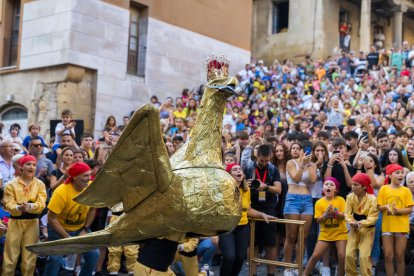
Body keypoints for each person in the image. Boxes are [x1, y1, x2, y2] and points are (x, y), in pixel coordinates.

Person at [44, 162, 99, 276]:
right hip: (58, 230)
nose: (89, 178)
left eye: (90, 175)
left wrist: (85, 228)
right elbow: (51, 218)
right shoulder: (61, 192)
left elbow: (93, 210)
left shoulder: (92, 187)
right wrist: (68, 238)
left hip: (80, 229)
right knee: (55, 259)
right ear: (75, 177)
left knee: (94, 254)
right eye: (85, 175)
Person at [220, 163, 274, 276]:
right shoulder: (223, 189)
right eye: (235, 170)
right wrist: (214, 234)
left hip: (243, 226)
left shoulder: (246, 190)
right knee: (229, 257)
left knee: (240, 258)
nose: (239, 171)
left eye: (240, 169)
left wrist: (262, 214)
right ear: (229, 174)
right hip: (227, 227)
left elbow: (248, 209)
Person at [2, 155, 47, 275]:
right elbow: (8, 204)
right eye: (28, 164)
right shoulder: (11, 185)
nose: (31, 166)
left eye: (33, 164)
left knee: (30, 258)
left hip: (33, 222)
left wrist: (31, 207)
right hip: (15, 221)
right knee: (10, 256)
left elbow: (41, 204)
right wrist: (19, 207)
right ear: (21, 167)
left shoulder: (40, 184)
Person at [243, 144, 281, 276]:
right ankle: (252, 273)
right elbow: (238, 186)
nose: (264, 163)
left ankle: (271, 273)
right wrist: (245, 185)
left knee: (270, 243)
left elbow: (278, 189)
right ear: (256, 156)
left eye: (266, 161)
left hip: (269, 209)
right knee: (252, 243)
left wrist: (265, 187)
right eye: (261, 160)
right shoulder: (248, 168)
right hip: (251, 208)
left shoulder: (273, 169)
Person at [283, 142, 317, 276]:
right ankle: (287, 267)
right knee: (291, 236)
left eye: (309, 151)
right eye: (305, 150)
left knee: (303, 237)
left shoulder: (312, 165)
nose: (306, 153)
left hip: (307, 201)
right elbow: (296, 179)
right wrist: (302, 164)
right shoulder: (291, 163)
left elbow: (313, 180)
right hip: (292, 200)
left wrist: (309, 165)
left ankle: (298, 266)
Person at [303, 177, 347, 276]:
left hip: (340, 233)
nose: (328, 186)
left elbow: (345, 215)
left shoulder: (340, 200)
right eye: (326, 184)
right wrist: (326, 214)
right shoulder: (319, 202)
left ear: (336, 189)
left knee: (342, 255)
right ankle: (304, 274)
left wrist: (336, 213)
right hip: (325, 233)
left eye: (331, 185)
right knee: (315, 255)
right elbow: (318, 220)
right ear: (323, 189)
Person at [378, 164, 414, 276]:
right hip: (387, 227)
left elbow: (410, 209)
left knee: (400, 256)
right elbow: (379, 207)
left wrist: (397, 210)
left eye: (402, 173)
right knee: (388, 256)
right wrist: (386, 207)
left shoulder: (406, 191)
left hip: (402, 227)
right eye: (397, 172)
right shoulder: (384, 189)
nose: (401, 175)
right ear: (389, 175)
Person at [345, 173, 378, 276]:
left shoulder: (372, 199)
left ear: (364, 186)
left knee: (364, 257)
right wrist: (351, 222)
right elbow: (347, 214)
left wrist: (359, 223)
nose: (353, 187)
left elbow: (373, 218)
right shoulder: (350, 197)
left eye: (356, 185)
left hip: (368, 230)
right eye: (352, 184)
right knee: (349, 255)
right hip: (354, 229)